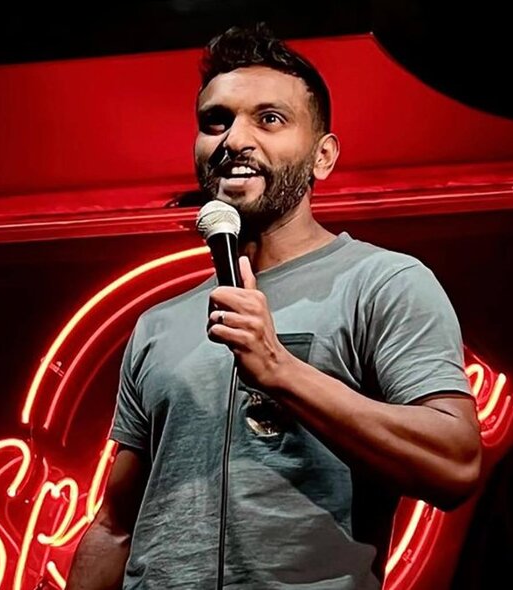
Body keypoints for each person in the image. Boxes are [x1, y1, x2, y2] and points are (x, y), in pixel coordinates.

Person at [67, 23, 481, 590]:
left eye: (269, 119)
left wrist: (280, 369)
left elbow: (455, 464)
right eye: (216, 121)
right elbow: (115, 525)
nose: (234, 139)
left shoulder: (383, 282)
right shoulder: (157, 325)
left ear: (323, 156)